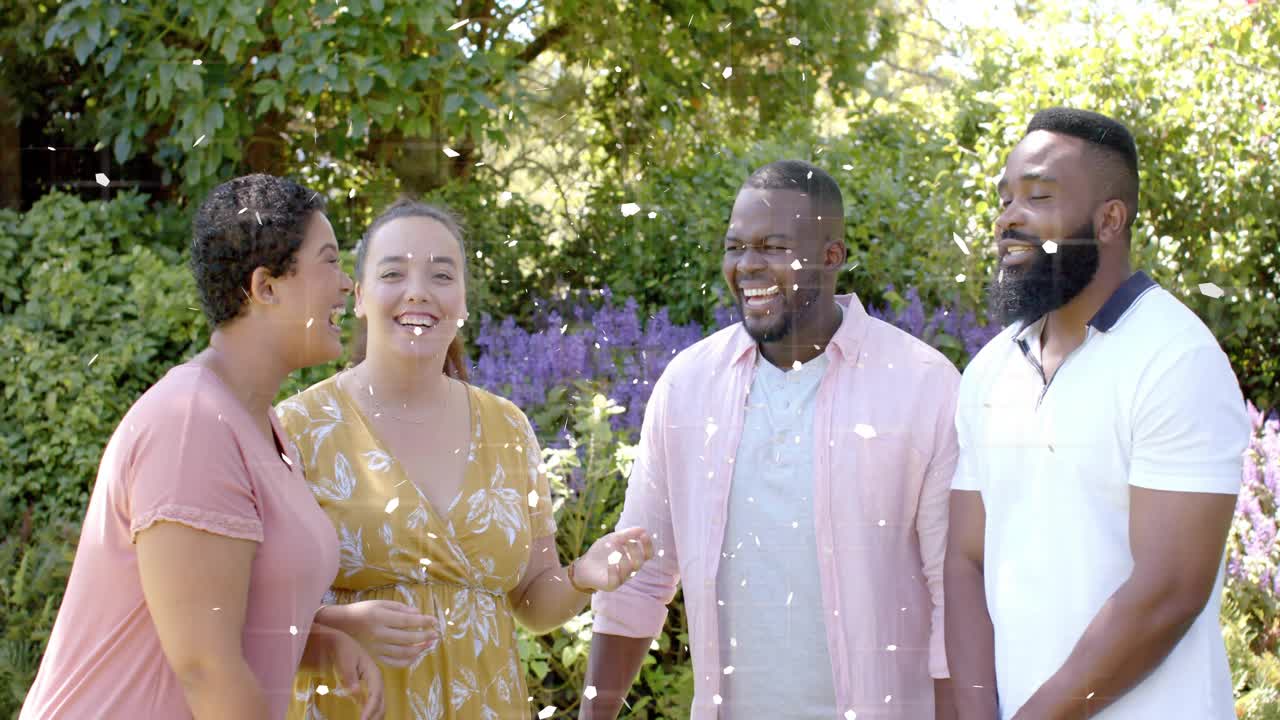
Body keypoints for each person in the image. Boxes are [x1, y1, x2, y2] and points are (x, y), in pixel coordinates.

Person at [582, 160, 961, 719]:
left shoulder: (923, 385)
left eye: (774, 247)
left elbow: (953, 595)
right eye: (735, 247)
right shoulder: (687, 386)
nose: (747, 266)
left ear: (832, 256)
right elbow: (638, 581)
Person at [19, 174, 384, 720]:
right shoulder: (191, 424)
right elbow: (206, 668)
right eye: (329, 262)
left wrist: (323, 646)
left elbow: (233, 620)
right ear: (266, 287)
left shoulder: (259, 425)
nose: (346, 285)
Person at [278, 199, 654, 720]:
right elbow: (253, 613)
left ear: (462, 302)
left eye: (441, 275)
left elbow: (532, 602)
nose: (418, 291)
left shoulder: (508, 428)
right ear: (359, 297)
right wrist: (338, 623)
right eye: (393, 273)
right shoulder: (299, 428)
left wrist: (581, 577)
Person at [946, 108, 1250, 720]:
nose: (1008, 218)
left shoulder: (1175, 358)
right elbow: (965, 559)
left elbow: (1168, 592)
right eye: (1004, 199)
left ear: (1110, 219)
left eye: (1038, 196)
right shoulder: (990, 370)